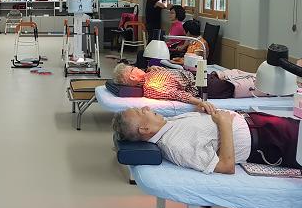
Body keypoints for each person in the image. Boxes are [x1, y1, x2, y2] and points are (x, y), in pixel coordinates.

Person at [112, 105, 301, 174]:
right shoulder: (176, 147)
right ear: (144, 129)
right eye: (141, 111)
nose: (146, 107)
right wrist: (224, 124)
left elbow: (201, 132)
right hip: (271, 142)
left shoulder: (168, 124)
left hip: (262, 123)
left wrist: (201, 112)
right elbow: (226, 166)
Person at [114, 63, 206, 105]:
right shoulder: (152, 86)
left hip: (198, 75)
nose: (136, 67)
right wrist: (201, 103)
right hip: (201, 85)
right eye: (133, 68)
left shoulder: (148, 75)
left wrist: (150, 70)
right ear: (133, 77)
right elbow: (178, 94)